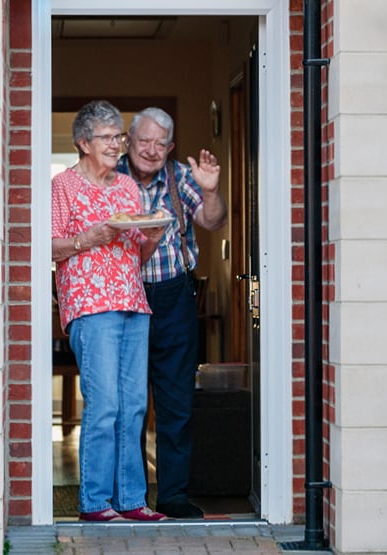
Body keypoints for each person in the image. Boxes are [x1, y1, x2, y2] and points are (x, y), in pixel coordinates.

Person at [51, 100, 168, 522]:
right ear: (84, 142)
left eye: (119, 136)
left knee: (134, 404)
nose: (118, 144)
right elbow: (50, 245)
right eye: (108, 137)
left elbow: (136, 253)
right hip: (90, 304)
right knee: (104, 406)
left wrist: (153, 235)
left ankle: (132, 500)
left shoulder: (126, 188)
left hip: (133, 302)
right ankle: (95, 503)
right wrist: (90, 238)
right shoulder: (63, 185)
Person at [117, 107, 227, 519]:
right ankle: (125, 497)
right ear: (129, 141)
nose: (150, 150)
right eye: (143, 141)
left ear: (171, 147)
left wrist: (211, 190)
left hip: (173, 297)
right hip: (122, 297)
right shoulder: (111, 178)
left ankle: (173, 495)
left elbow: (213, 221)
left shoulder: (182, 177)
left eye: (160, 143)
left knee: (176, 401)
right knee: (126, 403)